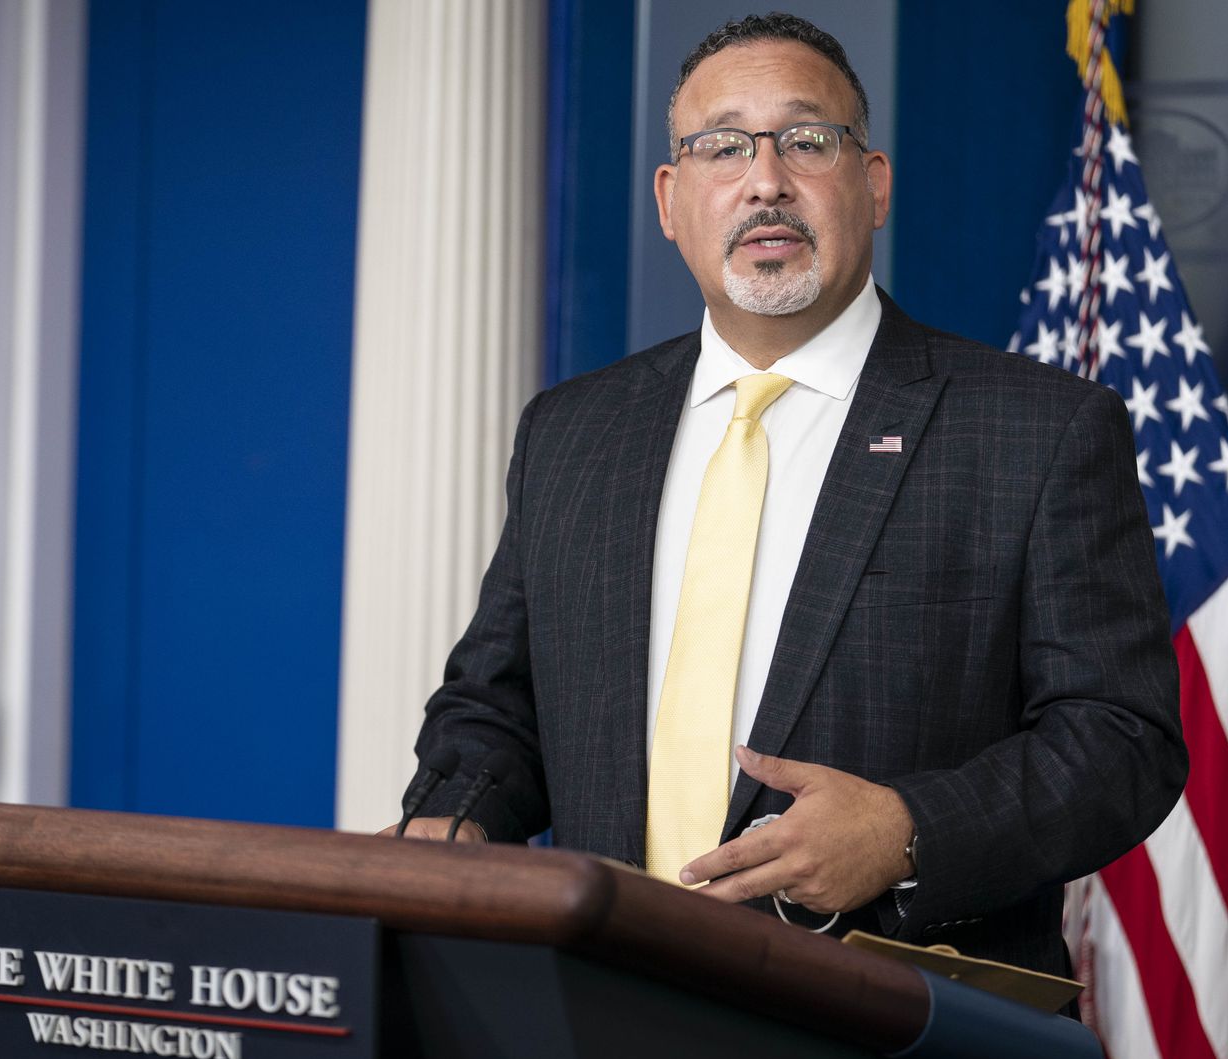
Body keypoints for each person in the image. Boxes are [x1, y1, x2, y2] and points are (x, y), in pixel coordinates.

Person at [392, 12, 1184, 979]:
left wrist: (906, 833)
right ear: (671, 199)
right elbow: (496, 705)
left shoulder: (1039, 430)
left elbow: (1120, 741)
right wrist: (460, 820)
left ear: (875, 183)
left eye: (807, 141)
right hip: (608, 1006)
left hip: (893, 1022)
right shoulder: (572, 431)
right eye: (722, 147)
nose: (765, 179)